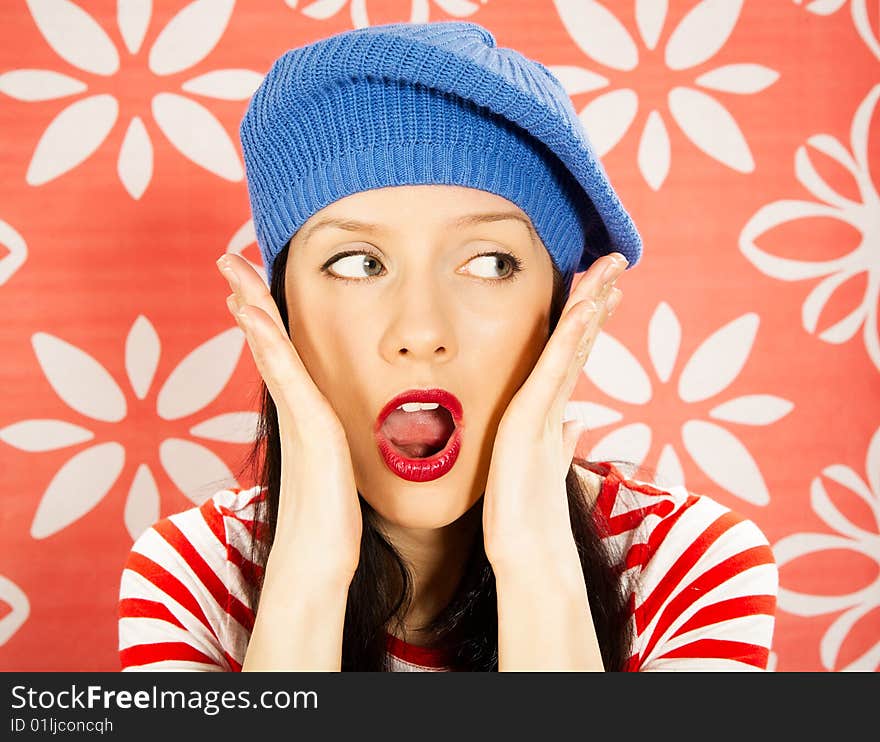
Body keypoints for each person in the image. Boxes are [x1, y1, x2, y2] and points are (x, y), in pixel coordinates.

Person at [117, 21, 778, 672]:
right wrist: (310, 569)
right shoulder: (194, 575)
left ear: (558, 309)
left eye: (490, 263)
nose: (421, 332)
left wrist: (534, 557)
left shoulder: (689, 565)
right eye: (356, 263)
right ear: (281, 309)